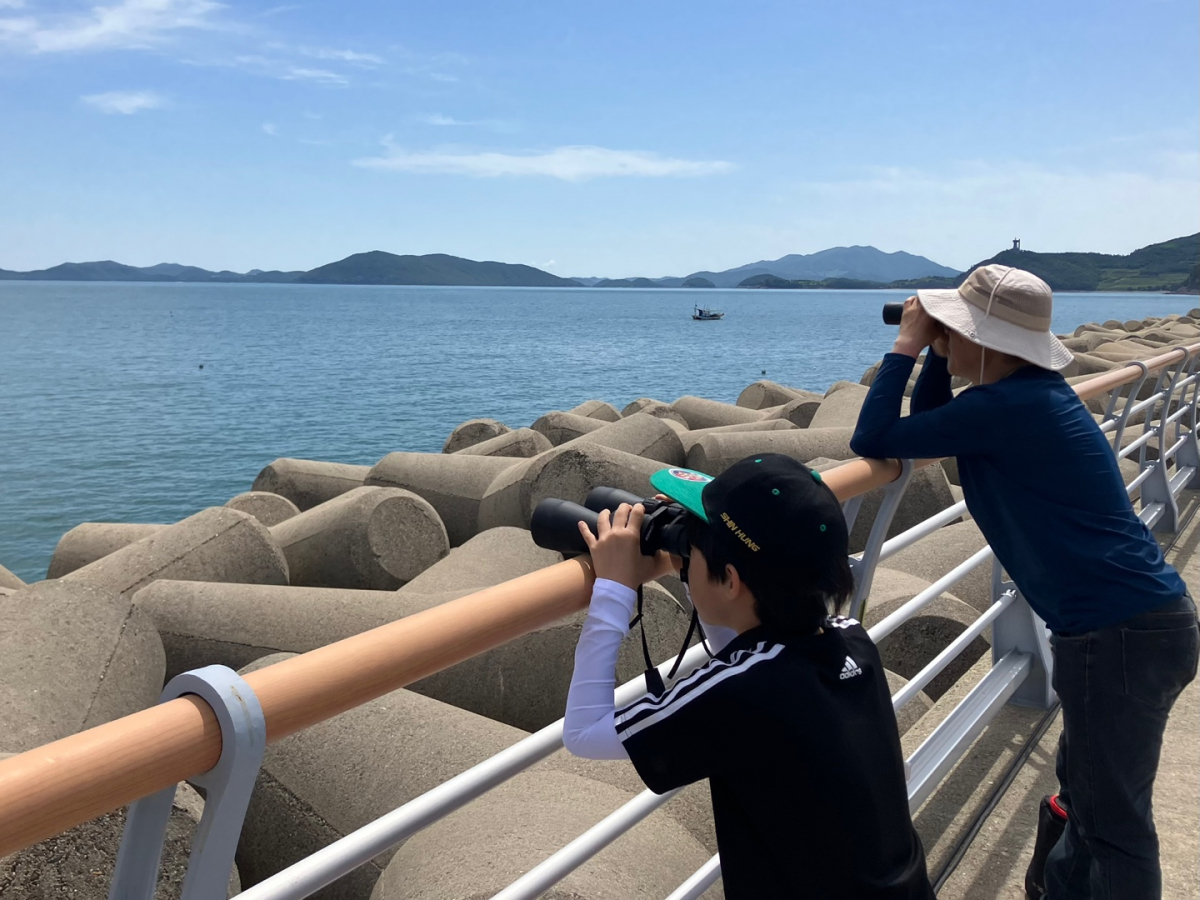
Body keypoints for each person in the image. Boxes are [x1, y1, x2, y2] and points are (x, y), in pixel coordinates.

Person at [849, 264, 1200, 900]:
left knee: (1114, 828)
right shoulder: (1022, 397)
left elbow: (873, 437)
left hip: (1116, 635)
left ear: (984, 341)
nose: (943, 336)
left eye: (955, 329)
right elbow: (934, 428)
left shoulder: (1005, 408)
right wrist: (938, 352)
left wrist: (904, 346)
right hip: (1133, 625)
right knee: (1087, 795)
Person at [562, 454, 935, 899]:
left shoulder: (743, 691)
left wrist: (613, 590)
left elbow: (583, 732)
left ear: (732, 580)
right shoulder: (851, 640)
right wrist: (701, 562)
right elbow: (745, 638)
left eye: (693, 547)